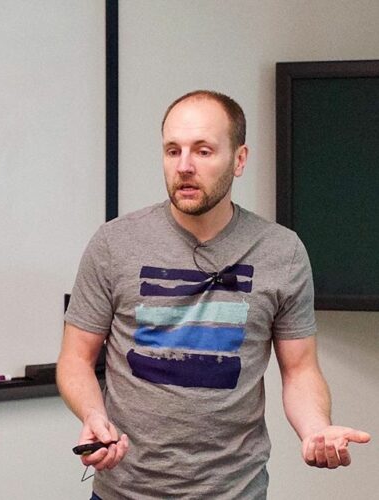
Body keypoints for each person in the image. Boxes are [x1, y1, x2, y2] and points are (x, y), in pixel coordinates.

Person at [56, 90, 371, 499]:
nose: (184, 166)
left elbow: (299, 370)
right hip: (124, 490)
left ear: (239, 159)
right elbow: (75, 359)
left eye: (203, 151)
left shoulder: (282, 251)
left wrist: (316, 428)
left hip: (233, 491)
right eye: (173, 151)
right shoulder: (114, 244)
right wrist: (93, 414)